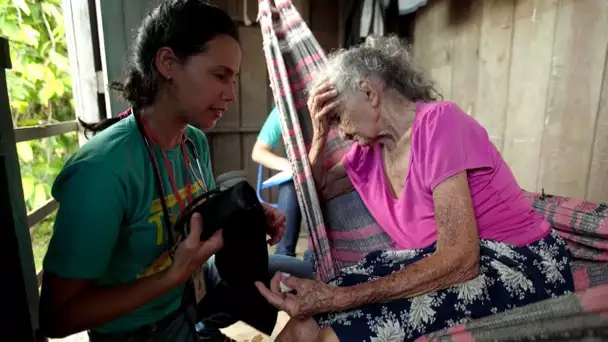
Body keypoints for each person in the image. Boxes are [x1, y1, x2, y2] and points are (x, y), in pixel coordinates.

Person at [255, 35, 575, 342]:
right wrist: (320, 135)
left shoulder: (439, 124)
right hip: (437, 260)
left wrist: (341, 298)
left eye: (336, 114)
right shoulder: (367, 154)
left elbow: (461, 258)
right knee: (304, 325)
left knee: (334, 333)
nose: (338, 126)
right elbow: (313, 195)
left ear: (368, 93)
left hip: (518, 260)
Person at [38, 1, 312, 341]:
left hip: (188, 303)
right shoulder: (101, 173)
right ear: (167, 63)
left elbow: (201, 216)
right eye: (219, 75)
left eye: (234, 79)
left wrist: (252, 217)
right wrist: (169, 277)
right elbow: (56, 319)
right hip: (139, 332)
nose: (230, 94)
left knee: (313, 280)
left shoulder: (192, 142)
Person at [252, 106, 312, 262]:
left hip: (329, 176)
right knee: (290, 185)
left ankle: (315, 257)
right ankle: (284, 257)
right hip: (299, 178)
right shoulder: (284, 108)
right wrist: (290, 166)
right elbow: (258, 152)